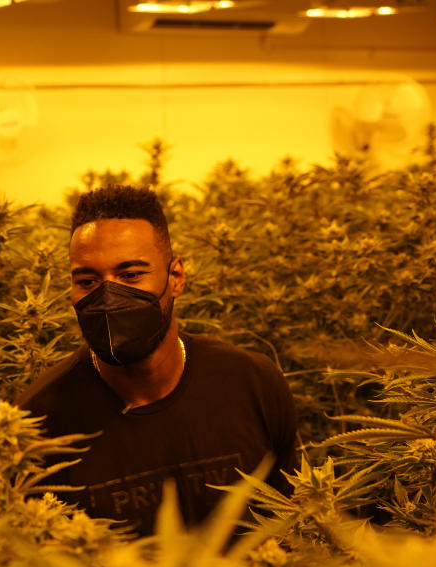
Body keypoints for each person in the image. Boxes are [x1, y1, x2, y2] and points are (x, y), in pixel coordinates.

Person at [19, 185, 298, 537]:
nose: (108, 295)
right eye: (88, 280)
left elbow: (291, 528)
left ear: (176, 277)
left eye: (131, 275)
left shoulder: (253, 384)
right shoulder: (37, 423)